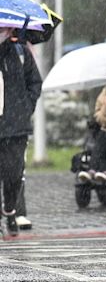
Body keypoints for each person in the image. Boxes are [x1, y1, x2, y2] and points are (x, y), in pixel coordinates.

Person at [0, 28, 42, 236]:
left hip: (16, 126)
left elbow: (35, 82)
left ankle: (10, 209)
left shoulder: (20, 51)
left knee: (14, 173)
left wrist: (26, 107)